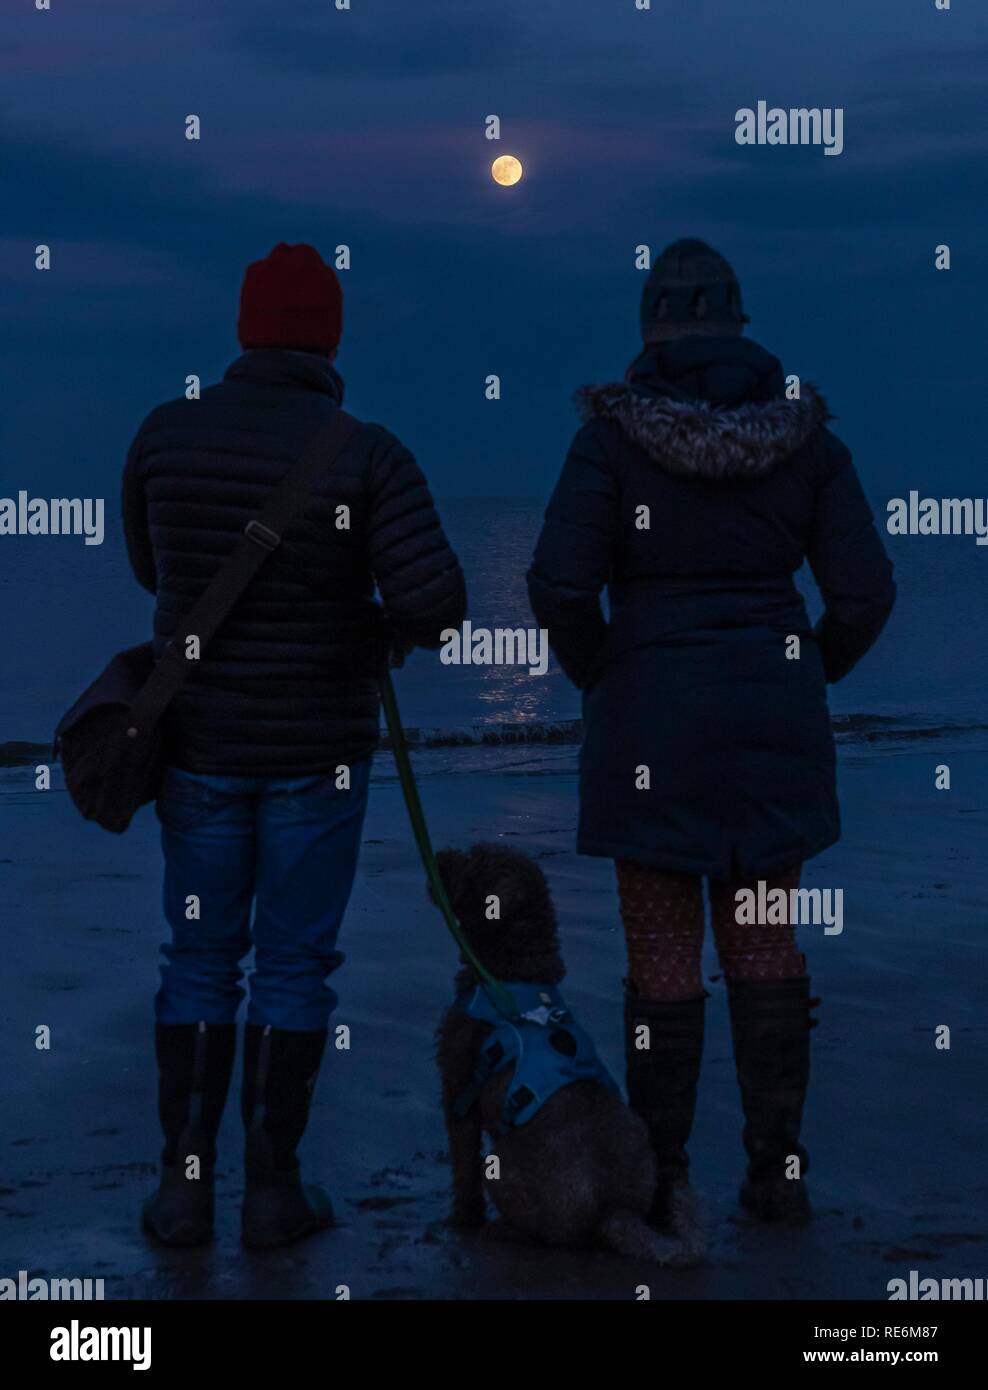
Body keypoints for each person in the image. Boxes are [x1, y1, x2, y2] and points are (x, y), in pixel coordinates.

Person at [527, 238, 895, 1230]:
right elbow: (865, 592)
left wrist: (604, 664)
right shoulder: (809, 441)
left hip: (650, 719)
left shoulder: (608, 440)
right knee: (765, 944)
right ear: (738, 325)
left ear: (651, 328)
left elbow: (558, 584)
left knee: (662, 962)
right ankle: (777, 1170)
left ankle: (665, 1179)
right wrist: (808, 669)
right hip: (771, 716)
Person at [123, 242, 466, 1248]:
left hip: (197, 747)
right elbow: (436, 602)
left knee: (197, 956)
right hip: (318, 752)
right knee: (293, 966)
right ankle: (272, 1189)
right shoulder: (365, 451)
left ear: (242, 330)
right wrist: (372, 626)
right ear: (331, 337)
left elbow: (153, 567)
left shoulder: (164, 434)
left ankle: (183, 1190)